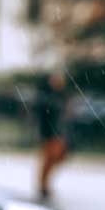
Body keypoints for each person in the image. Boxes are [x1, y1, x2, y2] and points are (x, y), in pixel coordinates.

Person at [35, 69, 71, 201]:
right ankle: (43, 185)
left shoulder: (62, 96)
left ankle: (45, 184)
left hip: (59, 133)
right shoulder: (47, 97)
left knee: (57, 158)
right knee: (49, 159)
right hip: (50, 133)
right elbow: (44, 116)